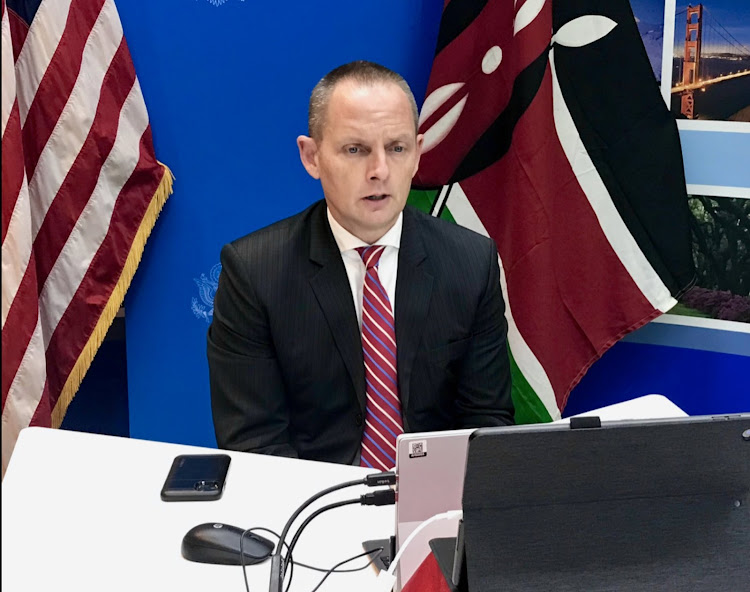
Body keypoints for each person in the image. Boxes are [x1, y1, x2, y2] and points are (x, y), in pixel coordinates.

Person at [207, 60, 514, 468]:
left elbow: (487, 425)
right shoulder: (254, 272)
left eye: (397, 148)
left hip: (437, 509)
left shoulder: (471, 262)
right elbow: (254, 442)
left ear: (418, 154)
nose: (379, 172)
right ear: (312, 156)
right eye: (356, 150)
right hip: (311, 509)